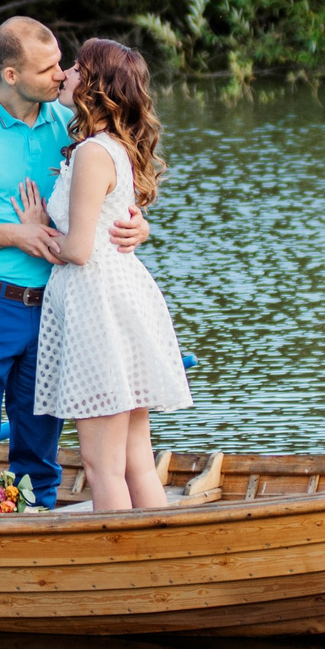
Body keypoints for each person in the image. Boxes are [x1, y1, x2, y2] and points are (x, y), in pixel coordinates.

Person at [0, 18, 148, 511]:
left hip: (57, 312)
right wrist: (15, 234)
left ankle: (37, 542)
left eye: (63, 63)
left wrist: (138, 225)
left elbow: (115, 188)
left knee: (39, 454)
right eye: (47, 69)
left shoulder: (72, 124)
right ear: (11, 75)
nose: (62, 75)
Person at [26, 38, 192, 511]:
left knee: (102, 467)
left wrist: (38, 230)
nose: (65, 75)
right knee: (136, 461)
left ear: (94, 86)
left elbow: (79, 249)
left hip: (97, 304)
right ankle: (159, 559)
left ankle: (120, 569)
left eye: (75, 68)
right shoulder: (114, 147)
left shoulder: (92, 154)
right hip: (120, 295)